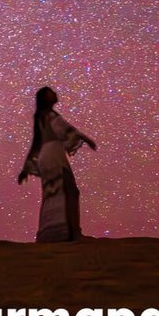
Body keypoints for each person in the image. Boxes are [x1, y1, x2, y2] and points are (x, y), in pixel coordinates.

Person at [16, 86, 97, 242]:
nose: (55, 94)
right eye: (50, 92)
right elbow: (65, 130)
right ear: (45, 98)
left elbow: (36, 143)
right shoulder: (50, 115)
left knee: (53, 194)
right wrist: (86, 139)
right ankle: (73, 234)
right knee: (70, 192)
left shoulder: (39, 116)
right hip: (54, 155)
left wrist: (26, 168)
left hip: (45, 158)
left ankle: (55, 234)